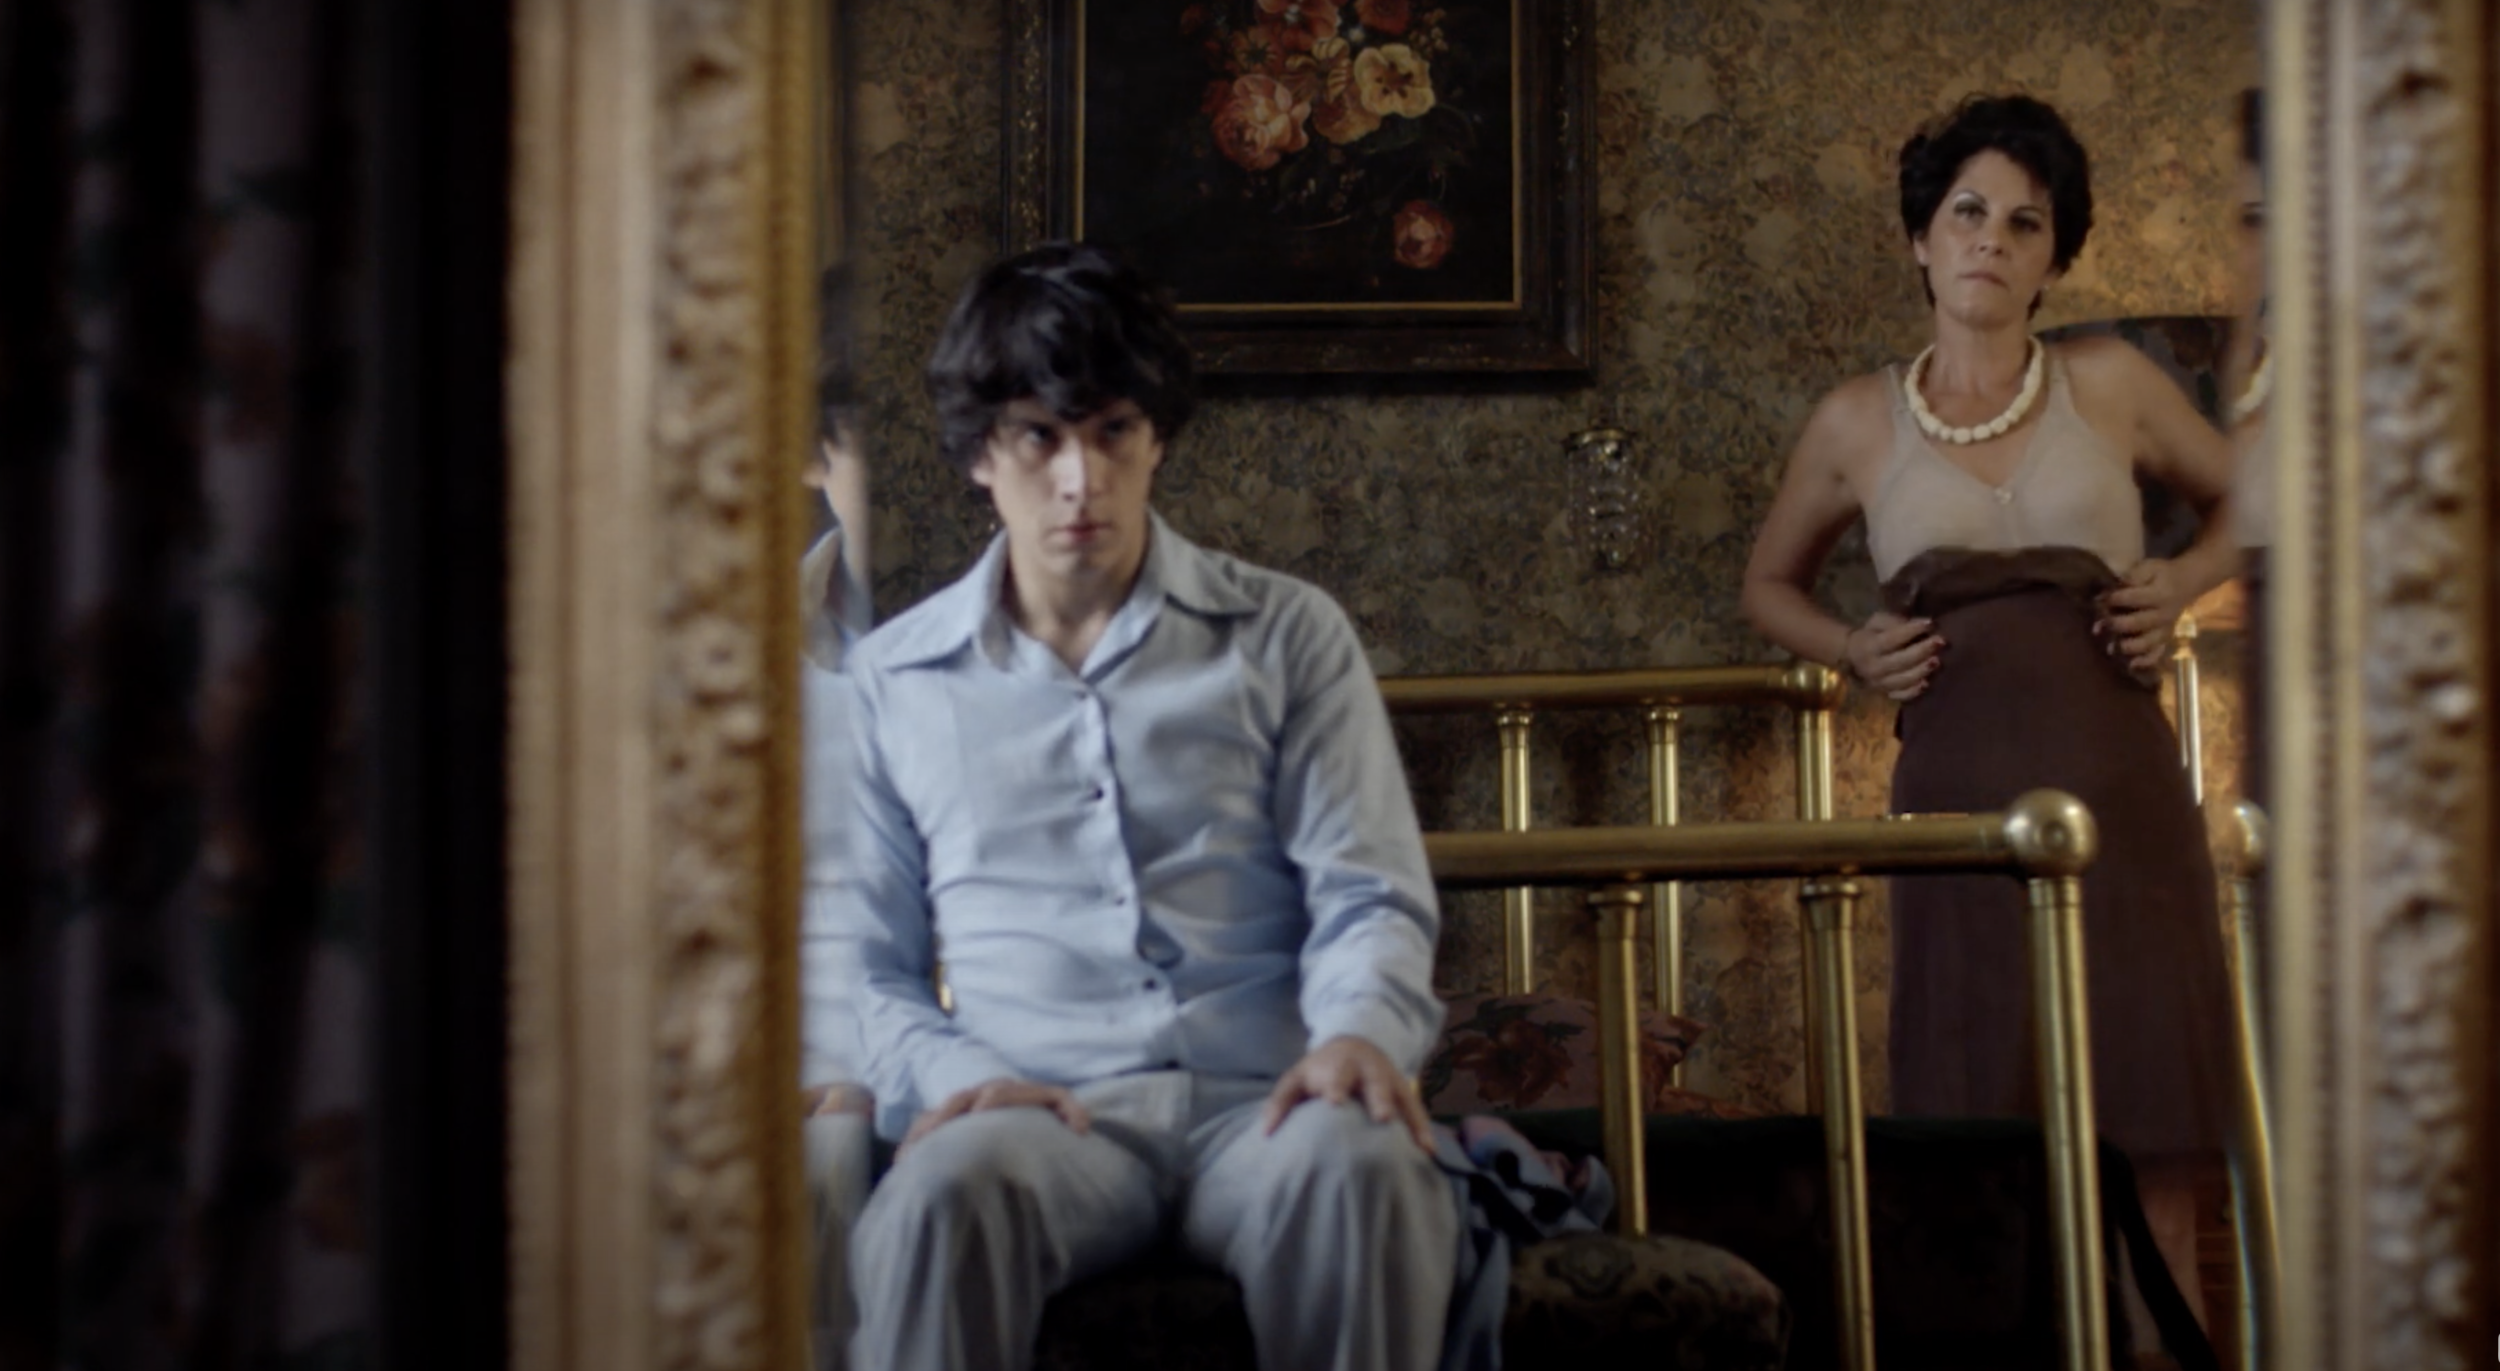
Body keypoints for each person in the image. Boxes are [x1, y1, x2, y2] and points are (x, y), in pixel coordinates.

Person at [826, 241, 1456, 1371]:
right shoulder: (890, 680)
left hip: (1266, 1106)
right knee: (937, 1196)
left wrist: (1359, 1033)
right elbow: (871, 968)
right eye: (1040, 436)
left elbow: (1367, 891)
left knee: (1367, 1171)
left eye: (1113, 430)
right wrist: (958, 1080)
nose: (1081, 478)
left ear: (1156, 436)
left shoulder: (1287, 633)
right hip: (1037, 1114)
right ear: (980, 453)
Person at [1738, 93, 2241, 1332]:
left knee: (2155, 1133)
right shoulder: (1855, 420)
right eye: (1968, 212)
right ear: (1920, 237)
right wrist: (1853, 647)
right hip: (1958, 815)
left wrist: (2181, 578)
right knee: (1980, 1137)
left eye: (2026, 223)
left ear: (2053, 256)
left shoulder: (2110, 383)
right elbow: (1766, 586)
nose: (1992, 241)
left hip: (2124, 804)